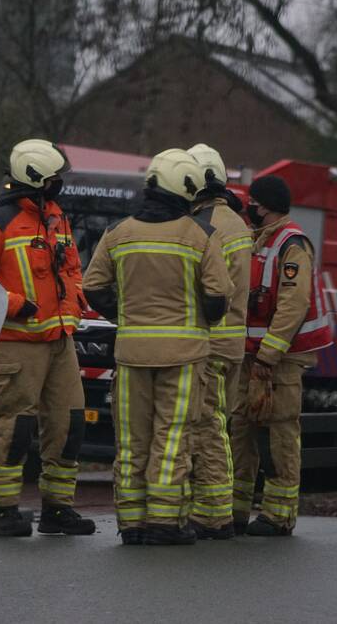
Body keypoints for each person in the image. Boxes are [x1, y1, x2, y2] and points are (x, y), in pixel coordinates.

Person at [83, 149, 233, 546]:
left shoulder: (118, 233)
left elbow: (93, 287)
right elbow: (219, 297)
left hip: (131, 355)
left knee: (132, 440)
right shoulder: (200, 235)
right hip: (184, 358)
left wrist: (126, 316)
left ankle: (131, 524)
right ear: (185, 188)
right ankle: (165, 522)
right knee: (172, 437)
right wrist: (198, 320)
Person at [0, 139, 95, 537]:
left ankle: (58, 508)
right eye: (53, 179)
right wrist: (16, 304)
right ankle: (3, 510)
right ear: (34, 178)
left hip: (59, 339)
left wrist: (76, 303)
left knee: (69, 423)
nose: (58, 185)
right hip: (17, 341)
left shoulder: (56, 217)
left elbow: (73, 268)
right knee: (15, 427)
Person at [232, 175, 333, 537]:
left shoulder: (292, 245)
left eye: (252, 204)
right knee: (240, 428)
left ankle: (279, 514)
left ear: (266, 206)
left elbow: (293, 304)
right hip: (251, 357)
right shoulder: (258, 241)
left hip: (280, 360)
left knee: (279, 434)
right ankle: (235, 510)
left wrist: (269, 355)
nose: (248, 210)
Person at [186, 144, 252, 540]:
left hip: (210, 342)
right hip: (232, 343)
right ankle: (214, 508)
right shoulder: (236, 223)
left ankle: (212, 512)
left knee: (206, 427)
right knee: (218, 425)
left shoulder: (205, 225)